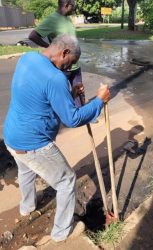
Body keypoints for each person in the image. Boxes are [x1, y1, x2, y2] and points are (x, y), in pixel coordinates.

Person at [3, 34, 110, 242]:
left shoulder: (27, 58)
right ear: (64, 52)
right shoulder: (56, 78)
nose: (68, 68)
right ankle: (61, 233)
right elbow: (72, 119)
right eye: (70, 63)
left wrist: (69, 94)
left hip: (11, 137)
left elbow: (40, 96)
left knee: (26, 171)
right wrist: (99, 101)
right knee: (66, 181)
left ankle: (27, 208)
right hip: (34, 144)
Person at [28, 0, 84, 107]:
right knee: (61, 96)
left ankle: (82, 114)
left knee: (79, 91)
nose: (74, 9)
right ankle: (65, 117)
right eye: (73, 6)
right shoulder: (52, 20)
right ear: (67, 5)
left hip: (75, 65)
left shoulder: (68, 18)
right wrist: (49, 47)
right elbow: (33, 36)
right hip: (62, 66)